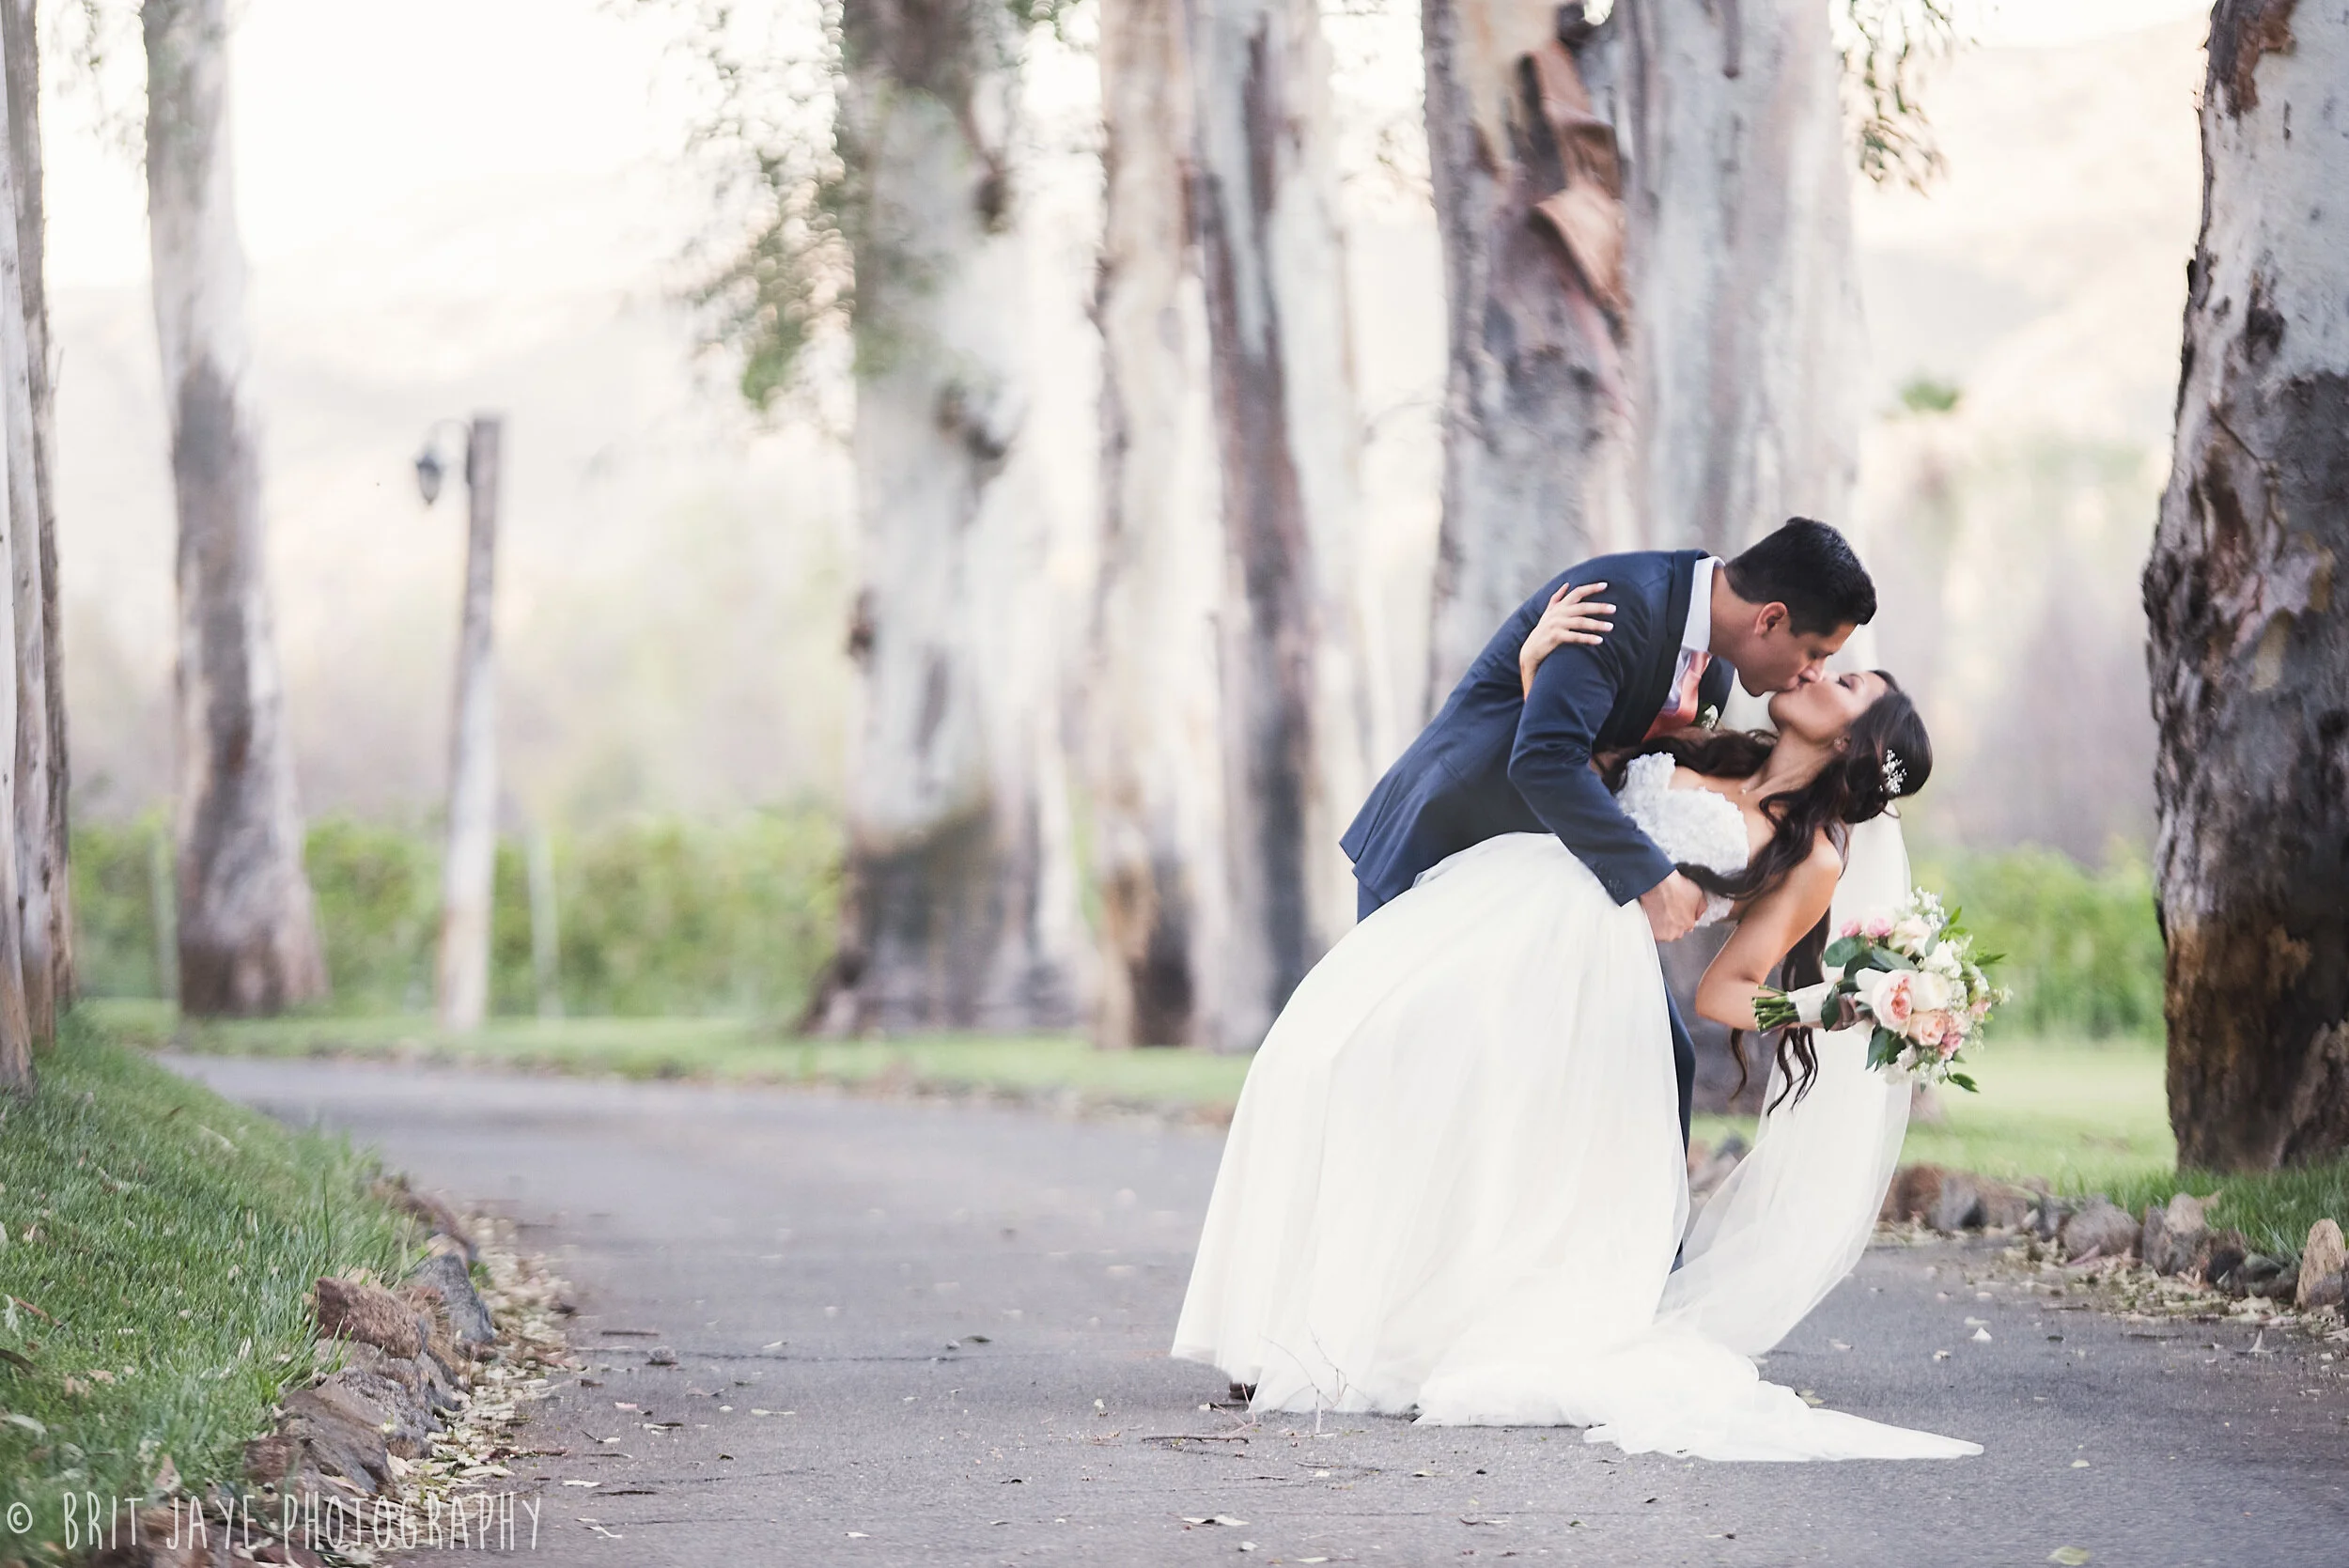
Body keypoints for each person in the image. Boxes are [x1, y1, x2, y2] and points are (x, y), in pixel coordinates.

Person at [1173, 648, 1983, 1460]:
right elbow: (1565, 760)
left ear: (1854, 743)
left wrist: (1817, 1006)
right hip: (1497, 901)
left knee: (1478, 1150)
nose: (1814, 672)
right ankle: (1284, 1323)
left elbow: (1724, 990)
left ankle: (1344, 1343)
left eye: (1845, 685)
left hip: (1590, 975)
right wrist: (1535, 666)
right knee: (1334, 1059)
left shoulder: (1811, 857)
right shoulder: (1705, 739)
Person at [1342, 520, 1878, 1145]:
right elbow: (1545, 759)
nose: (1808, 673)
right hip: (1448, 847)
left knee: (1657, 1067)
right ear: (1770, 620)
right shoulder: (1618, 603)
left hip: (1562, 901)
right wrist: (1654, 876)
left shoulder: (1714, 676)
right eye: (1815, 653)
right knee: (1410, 1082)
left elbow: (1613, 771)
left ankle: (1647, 1244)